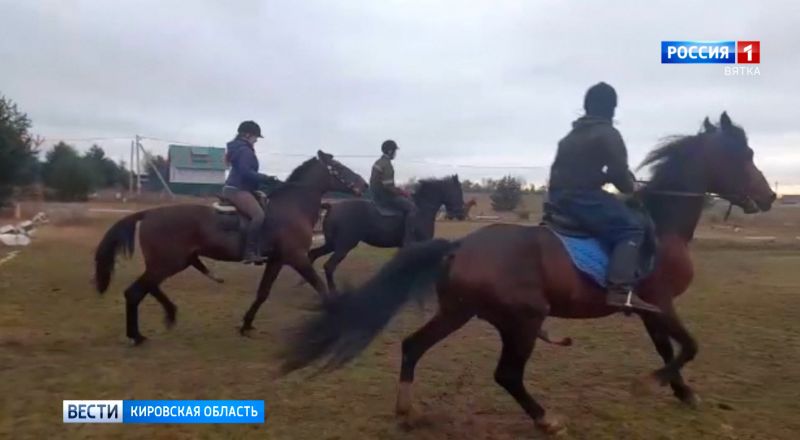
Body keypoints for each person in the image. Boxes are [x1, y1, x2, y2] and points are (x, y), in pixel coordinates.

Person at [547, 82, 660, 313]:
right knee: (631, 227)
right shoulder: (608, 133)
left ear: (586, 106)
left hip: (558, 199)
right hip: (584, 199)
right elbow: (620, 176)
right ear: (612, 109)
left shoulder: (570, 136)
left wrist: (601, 176)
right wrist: (631, 187)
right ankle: (620, 290)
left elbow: (573, 170)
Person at [222, 121, 280, 264]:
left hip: (239, 188)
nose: (256, 140)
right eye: (255, 137)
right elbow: (246, 173)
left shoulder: (239, 148)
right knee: (258, 216)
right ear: (247, 135)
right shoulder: (244, 150)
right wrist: (265, 178)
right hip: (237, 190)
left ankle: (261, 248)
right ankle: (249, 252)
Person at [370, 140, 418, 246]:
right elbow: (389, 187)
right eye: (395, 151)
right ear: (390, 151)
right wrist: (403, 193)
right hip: (385, 197)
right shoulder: (387, 165)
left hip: (375, 194)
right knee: (412, 208)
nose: (395, 154)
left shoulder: (378, 162)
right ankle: (408, 239)